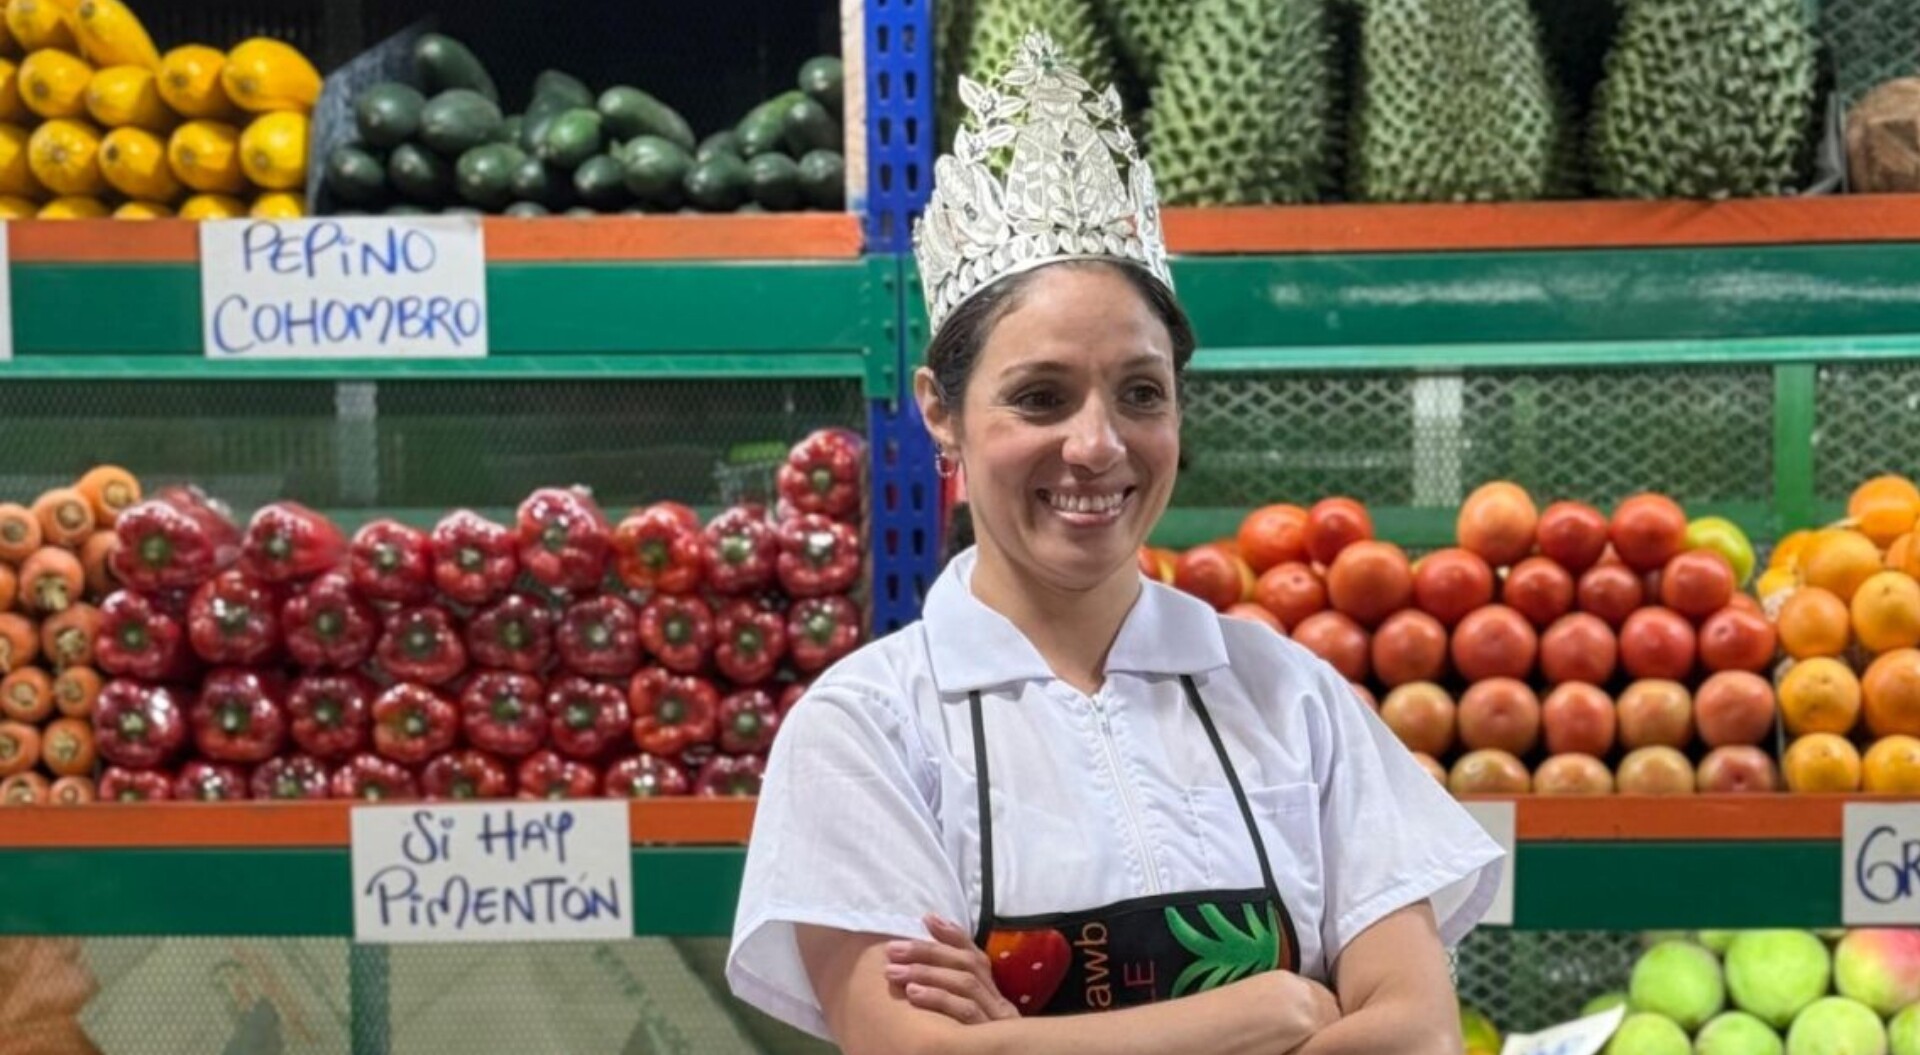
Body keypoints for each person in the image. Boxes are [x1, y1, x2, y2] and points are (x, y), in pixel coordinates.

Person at [728, 31, 1503, 1054]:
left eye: (1140, 392)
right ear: (941, 411)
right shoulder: (867, 731)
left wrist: (1017, 1039)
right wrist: (1271, 1007)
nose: (1096, 445)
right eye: (1040, 396)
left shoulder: (1291, 696)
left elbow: (1418, 1036)